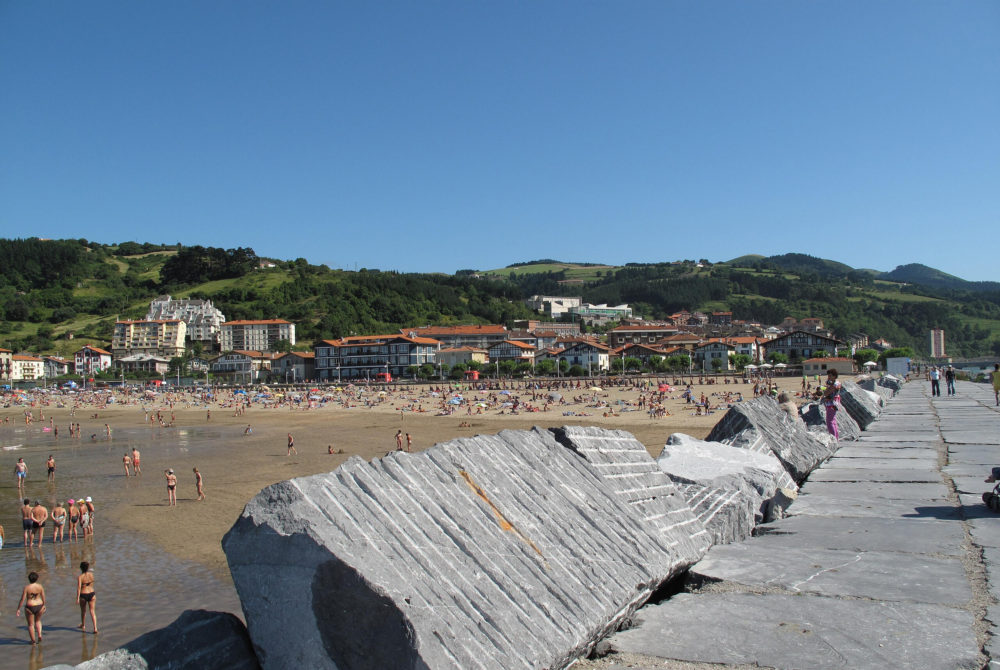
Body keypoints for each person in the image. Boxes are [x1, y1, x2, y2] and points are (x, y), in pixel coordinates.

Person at [16, 571, 46, 644]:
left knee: (31, 625)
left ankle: (33, 641)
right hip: (39, 605)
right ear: (37, 578)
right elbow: (43, 597)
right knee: (38, 621)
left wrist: (18, 609)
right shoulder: (40, 586)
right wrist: (44, 605)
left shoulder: (27, 587)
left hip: (30, 606)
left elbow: (22, 599)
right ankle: (39, 634)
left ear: (29, 579)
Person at [77, 561, 98, 634]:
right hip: (92, 593)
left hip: (83, 594)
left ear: (81, 568)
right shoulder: (91, 574)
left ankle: (83, 625)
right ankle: (95, 628)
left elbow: (79, 588)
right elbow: (92, 582)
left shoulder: (80, 577)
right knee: (92, 611)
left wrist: (77, 598)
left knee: (83, 611)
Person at [821, 369, 842, 441]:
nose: (828, 377)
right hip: (833, 403)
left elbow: (826, 393)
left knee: (829, 422)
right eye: (828, 376)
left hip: (832, 404)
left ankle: (833, 439)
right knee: (833, 421)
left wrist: (824, 390)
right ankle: (836, 438)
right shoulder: (835, 383)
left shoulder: (835, 384)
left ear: (834, 376)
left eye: (830, 376)